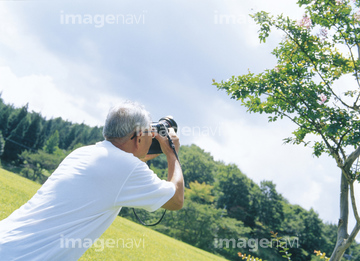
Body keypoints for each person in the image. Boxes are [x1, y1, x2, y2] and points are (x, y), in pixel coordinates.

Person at [0, 101, 184, 260]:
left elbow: (123, 165)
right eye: (149, 132)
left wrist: (145, 146)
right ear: (137, 136)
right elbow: (175, 200)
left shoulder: (83, 152)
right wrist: (171, 152)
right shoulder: (127, 168)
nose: (152, 136)